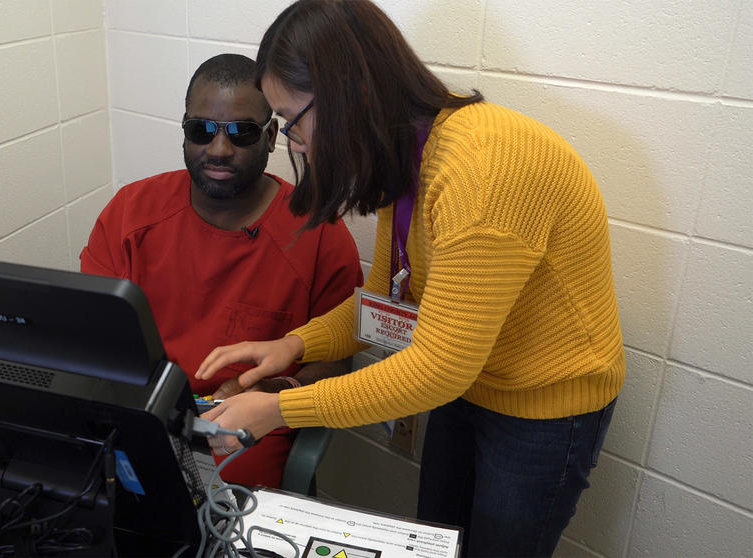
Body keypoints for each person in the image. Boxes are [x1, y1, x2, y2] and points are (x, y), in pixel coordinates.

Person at [194, 2, 624, 556]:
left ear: (345, 93)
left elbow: (438, 368)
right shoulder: (412, 159)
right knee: (438, 541)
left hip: (544, 404)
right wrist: (293, 344)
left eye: (291, 121)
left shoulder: (483, 169)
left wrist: (279, 408)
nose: (294, 144)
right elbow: (385, 306)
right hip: (474, 380)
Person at [80, 53, 363, 489]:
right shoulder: (130, 215)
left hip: (242, 455)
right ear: (185, 131)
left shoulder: (318, 233)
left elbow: (336, 362)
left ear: (271, 136)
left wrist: (273, 390)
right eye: (202, 131)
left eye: (241, 133)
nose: (218, 149)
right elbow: (87, 335)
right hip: (135, 438)